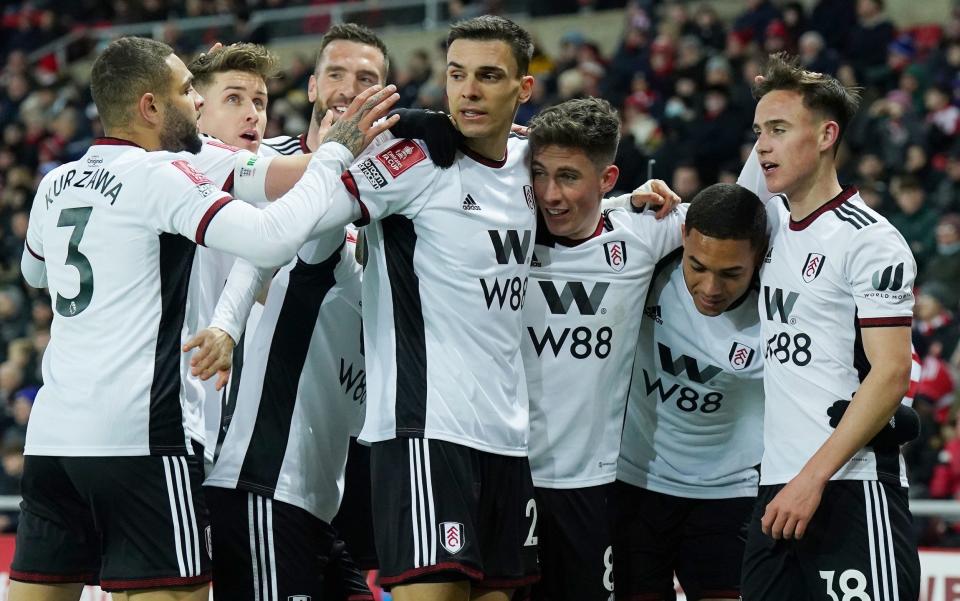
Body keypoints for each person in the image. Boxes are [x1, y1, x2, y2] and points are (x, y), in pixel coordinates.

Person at [12, 36, 398, 601]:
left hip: (52, 441)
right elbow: (268, 236)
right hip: (143, 434)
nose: (195, 102)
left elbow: (36, 275)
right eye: (187, 91)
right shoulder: (166, 173)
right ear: (149, 106)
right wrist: (338, 152)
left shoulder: (54, 182)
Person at [737, 52, 920, 600]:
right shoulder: (769, 228)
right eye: (757, 132)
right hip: (777, 489)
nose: (762, 146)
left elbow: (890, 376)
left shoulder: (869, 239)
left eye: (778, 129)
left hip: (851, 489)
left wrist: (812, 479)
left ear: (825, 135)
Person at [521, 97, 685, 601]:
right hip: (502, 476)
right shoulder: (503, 229)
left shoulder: (645, 232)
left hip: (592, 487)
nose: (549, 194)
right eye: (540, 174)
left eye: (569, 177)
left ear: (607, 178)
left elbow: (739, 219)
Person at [615, 183, 766, 601]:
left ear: (759, 255)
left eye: (731, 273)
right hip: (634, 484)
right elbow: (579, 226)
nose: (710, 288)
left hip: (729, 494)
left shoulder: (781, 307)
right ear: (683, 237)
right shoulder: (650, 267)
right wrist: (625, 202)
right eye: (697, 265)